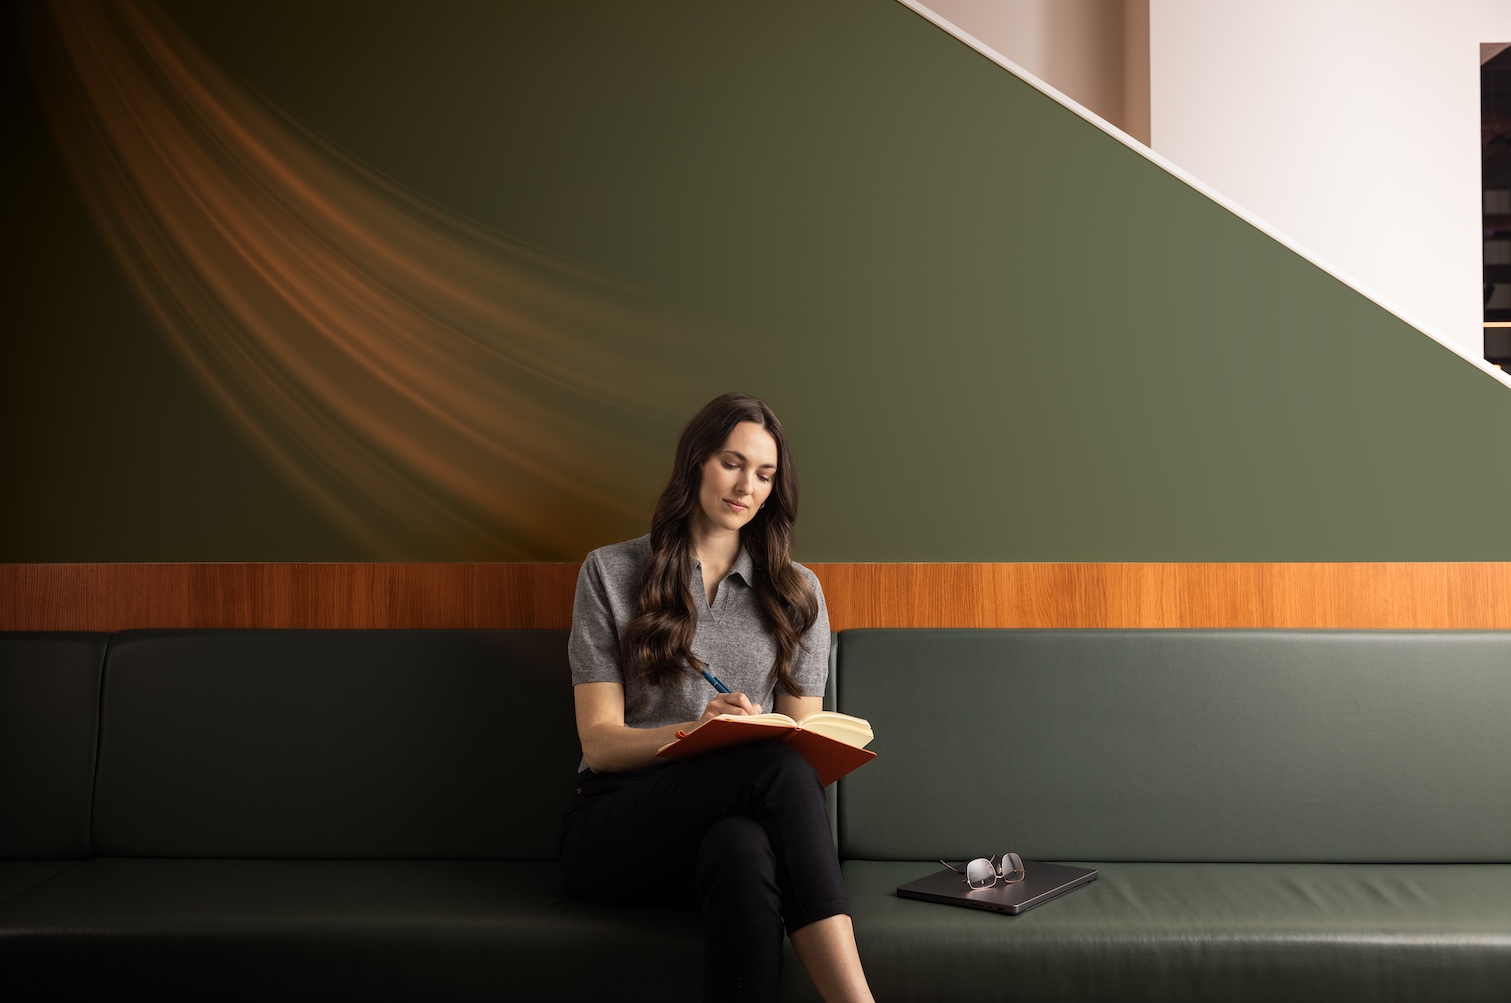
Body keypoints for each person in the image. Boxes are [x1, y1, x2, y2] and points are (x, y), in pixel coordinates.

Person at [558, 392, 875, 1003]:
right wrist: (698, 735)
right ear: (696, 461)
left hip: (729, 830)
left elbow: (803, 747)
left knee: (745, 846)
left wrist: (775, 739)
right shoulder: (610, 572)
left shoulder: (797, 593)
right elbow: (599, 745)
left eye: (765, 475)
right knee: (774, 770)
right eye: (732, 463)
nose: (746, 487)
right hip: (615, 826)